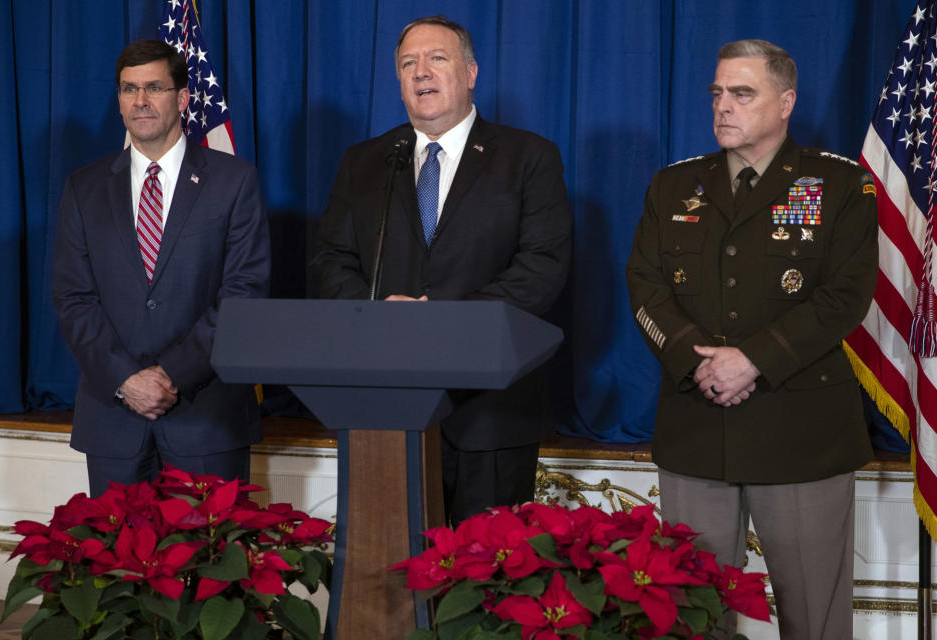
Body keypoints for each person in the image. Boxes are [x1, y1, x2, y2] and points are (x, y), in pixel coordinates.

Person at [626, 39, 877, 638]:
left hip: (801, 432)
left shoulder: (839, 185)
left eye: (742, 93)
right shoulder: (672, 186)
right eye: (717, 93)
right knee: (694, 614)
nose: (723, 106)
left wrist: (753, 362)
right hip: (697, 425)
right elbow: (645, 288)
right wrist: (702, 364)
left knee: (812, 616)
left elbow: (844, 297)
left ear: (785, 102)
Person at [311, 15, 572, 525]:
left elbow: (542, 267)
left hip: (491, 413)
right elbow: (330, 262)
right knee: (393, 584)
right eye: (408, 63)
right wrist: (378, 311)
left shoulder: (528, 158)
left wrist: (445, 320)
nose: (421, 72)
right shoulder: (365, 162)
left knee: (491, 584)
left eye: (437, 59)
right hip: (386, 407)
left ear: (471, 73)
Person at [52, 40, 271, 497]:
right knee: (116, 568)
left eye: (154, 87)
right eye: (129, 89)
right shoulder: (84, 188)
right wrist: (126, 380)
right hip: (114, 420)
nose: (141, 101)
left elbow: (244, 292)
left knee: (212, 565)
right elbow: (74, 299)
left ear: (183, 98)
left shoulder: (234, 181)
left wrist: (171, 375)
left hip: (206, 419)